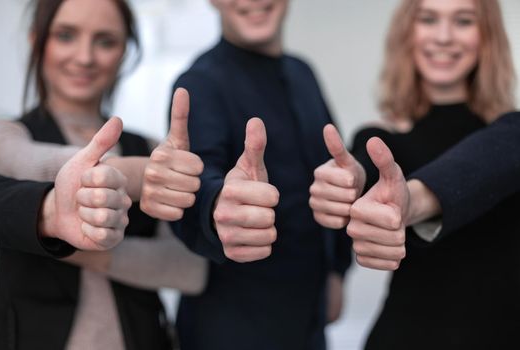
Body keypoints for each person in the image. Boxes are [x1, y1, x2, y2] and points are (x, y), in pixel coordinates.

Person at [141, 0, 352, 349]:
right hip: (233, 326)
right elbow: (195, 185)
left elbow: (332, 173)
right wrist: (217, 204)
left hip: (307, 323)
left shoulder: (303, 74)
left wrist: (336, 270)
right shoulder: (201, 82)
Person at [0, 0, 206, 349]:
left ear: (125, 51)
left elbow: (189, 269)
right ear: (37, 40)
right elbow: (34, 164)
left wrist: (71, 242)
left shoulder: (150, 145)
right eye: (66, 36)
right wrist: (145, 175)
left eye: (105, 41)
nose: (85, 57)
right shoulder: (6, 137)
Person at [309, 0, 519, 349]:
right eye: (428, 19)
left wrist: (414, 200)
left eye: (464, 21)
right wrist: (347, 184)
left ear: (487, 35)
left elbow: (489, 160)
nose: (444, 36)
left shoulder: (510, 134)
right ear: (408, 32)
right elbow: (364, 170)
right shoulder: (382, 139)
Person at [0, 117, 130, 257]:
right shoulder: (6, 131)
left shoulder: (145, 144)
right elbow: (30, 163)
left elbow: (155, 260)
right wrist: (51, 211)